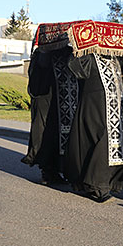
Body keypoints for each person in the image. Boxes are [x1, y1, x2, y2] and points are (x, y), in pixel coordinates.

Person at [65, 47, 123, 202]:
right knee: (99, 145)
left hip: (115, 111)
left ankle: (111, 183)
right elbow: (77, 69)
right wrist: (77, 50)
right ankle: (98, 186)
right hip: (95, 108)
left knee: (113, 145)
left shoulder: (115, 59)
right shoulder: (90, 57)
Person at [22, 43, 77, 187]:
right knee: (45, 137)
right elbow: (40, 71)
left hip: (57, 104)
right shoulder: (42, 54)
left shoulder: (59, 53)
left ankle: (55, 170)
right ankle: (48, 171)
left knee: (56, 137)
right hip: (45, 102)